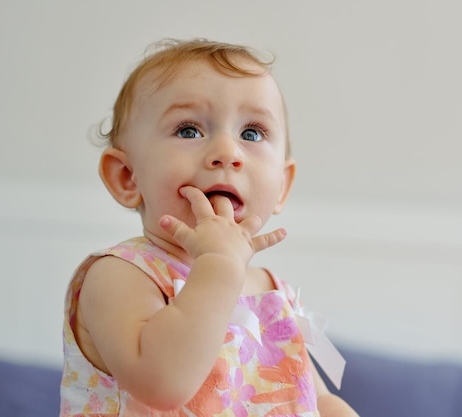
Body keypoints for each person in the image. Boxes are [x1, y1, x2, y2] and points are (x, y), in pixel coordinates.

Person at [60, 38, 359, 417]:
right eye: (188, 130)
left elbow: (313, 399)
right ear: (127, 177)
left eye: (251, 133)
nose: (228, 153)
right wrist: (217, 266)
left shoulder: (272, 292)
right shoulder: (120, 275)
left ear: (282, 185)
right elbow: (163, 385)